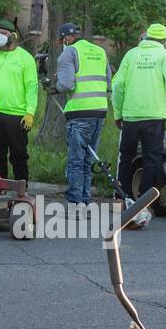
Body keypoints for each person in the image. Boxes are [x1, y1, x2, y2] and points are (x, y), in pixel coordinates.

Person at [111, 23, 166, 197]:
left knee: (126, 157)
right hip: (154, 117)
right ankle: (145, 199)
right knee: (152, 158)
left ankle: (122, 196)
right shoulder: (164, 55)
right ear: (164, 39)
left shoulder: (131, 54)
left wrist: (118, 113)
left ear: (147, 37)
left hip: (131, 116)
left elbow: (117, 85)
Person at [53, 22, 111, 205]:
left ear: (67, 38)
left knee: (76, 160)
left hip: (79, 112)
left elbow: (67, 84)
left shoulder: (69, 53)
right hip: (100, 110)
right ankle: (85, 199)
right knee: (88, 158)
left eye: (63, 39)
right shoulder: (99, 51)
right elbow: (109, 81)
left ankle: (75, 201)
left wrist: (54, 86)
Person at [0, 18, 39, 182]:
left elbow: (32, 88)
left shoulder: (26, 59)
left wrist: (30, 112)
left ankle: (21, 188)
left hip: (17, 116)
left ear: (12, 36)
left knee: (19, 155)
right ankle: (0, 188)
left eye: (2, 34)